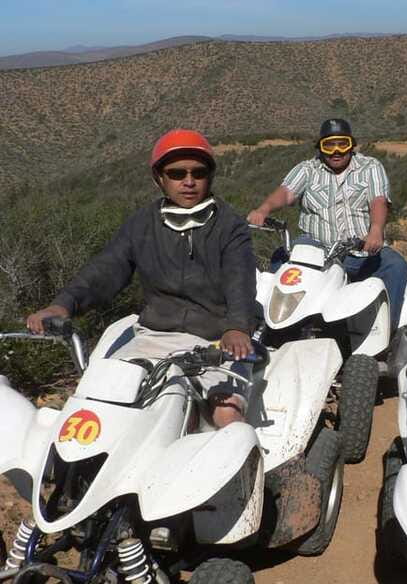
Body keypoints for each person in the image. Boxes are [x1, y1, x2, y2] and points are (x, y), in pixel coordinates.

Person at [26, 129, 260, 428]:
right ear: (159, 178)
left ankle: (244, 474)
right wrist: (63, 305)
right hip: (153, 338)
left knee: (226, 415)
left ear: (210, 176)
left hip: (215, 341)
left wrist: (237, 328)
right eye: (176, 173)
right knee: (100, 399)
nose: (188, 181)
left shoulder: (229, 225)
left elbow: (239, 278)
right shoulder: (141, 224)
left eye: (198, 172)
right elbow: (107, 268)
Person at [247, 118, 407, 329]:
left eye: (342, 144)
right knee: (281, 261)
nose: (336, 151)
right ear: (320, 147)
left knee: (396, 265)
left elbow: (378, 200)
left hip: (359, 249)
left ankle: (387, 332)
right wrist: (264, 209)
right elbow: (286, 193)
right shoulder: (308, 169)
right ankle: (272, 326)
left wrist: (376, 230)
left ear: (351, 145)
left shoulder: (370, 167)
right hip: (316, 248)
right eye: (329, 145)